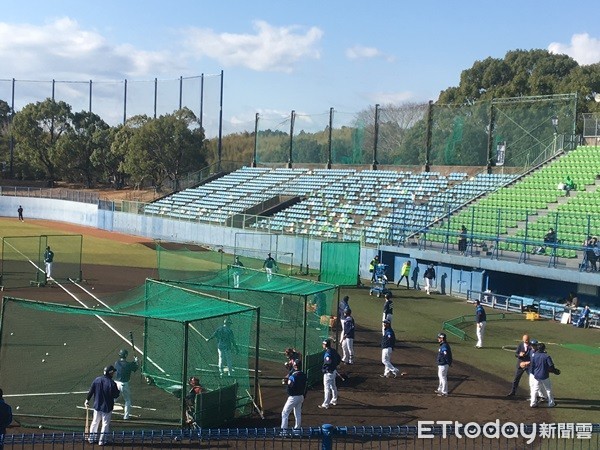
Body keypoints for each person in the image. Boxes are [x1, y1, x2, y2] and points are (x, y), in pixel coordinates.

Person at [85, 365, 120, 446]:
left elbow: (91, 391)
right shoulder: (111, 383)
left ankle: (91, 439)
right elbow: (116, 395)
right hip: (107, 408)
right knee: (105, 424)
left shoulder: (97, 379)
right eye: (113, 372)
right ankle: (102, 441)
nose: (114, 374)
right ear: (110, 373)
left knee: (95, 422)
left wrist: (87, 400)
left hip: (97, 406)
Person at [280, 359, 307, 431]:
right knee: (298, 413)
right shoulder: (304, 375)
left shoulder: (293, 376)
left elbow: (290, 385)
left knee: (285, 413)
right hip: (301, 396)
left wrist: (284, 382)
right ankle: (297, 430)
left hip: (293, 397)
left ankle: (284, 431)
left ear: (295, 366)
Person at [529, 343, 559, 408]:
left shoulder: (534, 355)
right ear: (544, 348)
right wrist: (554, 371)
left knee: (535, 389)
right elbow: (551, 366)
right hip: (544, 375)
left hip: (536, 375)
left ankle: (533, 403)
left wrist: (534, 373)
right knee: (548, 389)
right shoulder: (546, 356)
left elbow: (532, 366)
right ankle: (551, 403)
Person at [114, 349, 139, 420]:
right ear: (126, 355)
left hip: (116, 384)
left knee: (113, 399)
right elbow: (135, 368)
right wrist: (136, 361)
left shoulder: (116, 363)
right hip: (124, 384)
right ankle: (126, 417)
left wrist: (134, 362)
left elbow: (125, 365)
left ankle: (107, 412)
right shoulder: (129, 365)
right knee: (127, 400)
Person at [318, 339, 340, 409]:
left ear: (325, 345)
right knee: (333, 386)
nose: (322, 345)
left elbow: (328, 363)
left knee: (327, 388)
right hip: (333, 371)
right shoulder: (333, 350)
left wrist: (325, 369)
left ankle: (326, 404)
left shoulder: (328, 353)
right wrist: (335, 365)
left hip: (328, 372)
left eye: (323, 344)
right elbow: (339, 358)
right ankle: (334, 400)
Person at [435, 332, 452, 397]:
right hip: (442, 364)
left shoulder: (444, 346)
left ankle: (444, 392)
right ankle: (440, 389)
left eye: (439, 338)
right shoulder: (443, 345)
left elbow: (446, 354)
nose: (438, 339)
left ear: (442, 338)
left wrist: (448, 362)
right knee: (440, 377)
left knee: (443, 377)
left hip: (443, 364)